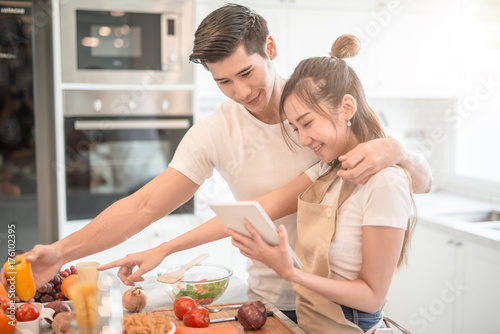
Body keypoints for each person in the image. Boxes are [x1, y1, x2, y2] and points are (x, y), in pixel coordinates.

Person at [2, 4, 430, 321]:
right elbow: (145, 205)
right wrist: (60, 251)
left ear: (271, 48)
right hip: (270, 299)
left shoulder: (326, 108)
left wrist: (397, 150)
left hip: (341, 307)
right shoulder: (216, 131)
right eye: (223, 81)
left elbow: (419, 181)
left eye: (246, 74)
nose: (241, 92)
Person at [226, 34, 414, 333]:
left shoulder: (385, 183)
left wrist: (289, 272)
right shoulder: (329, 171)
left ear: (347, 108)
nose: (303, 139)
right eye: (295, 127)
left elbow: (372, 296)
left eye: (307, 123)